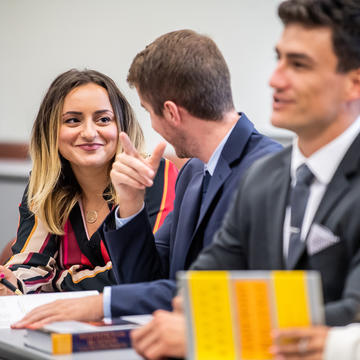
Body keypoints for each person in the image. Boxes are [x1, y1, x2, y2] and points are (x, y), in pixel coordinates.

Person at [132, 0, 360, 358]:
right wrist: (103, 302)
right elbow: (202, 285)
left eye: (298, 64)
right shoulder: (266, 176)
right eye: (279, 59)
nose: (275, 78)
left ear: (353, 84)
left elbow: (352, 314)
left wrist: (210, 331)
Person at [11, 30, 281, 328]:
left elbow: (224, 287)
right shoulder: (193, 173)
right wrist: (130, 205)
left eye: (146, 111)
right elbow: (145, 278)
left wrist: (101, 303)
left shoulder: (269, 168)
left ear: (170, 112)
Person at [0, 69, 176, 296]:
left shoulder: (150, 173)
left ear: (121, 126)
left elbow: (138, 273)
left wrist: (57, 281)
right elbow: (29, 264)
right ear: (50, 130)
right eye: (72, 120)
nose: (89, 132)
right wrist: (12, 281)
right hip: (70, 321)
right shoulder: (45, 184)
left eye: (103, 119)